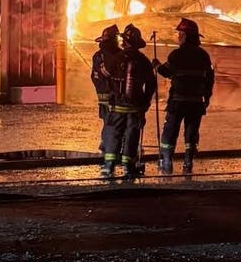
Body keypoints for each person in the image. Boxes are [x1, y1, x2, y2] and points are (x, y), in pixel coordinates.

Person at [153, 18, 215, 174]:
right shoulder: (203, 55)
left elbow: (166, 72)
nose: (178, 37)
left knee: (170, 131)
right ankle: (188, 163)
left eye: (180, 34)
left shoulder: (177, 54)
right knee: (191, 132)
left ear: (187, 36)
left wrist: (156, 65)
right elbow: (209, 79)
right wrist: (206, 98)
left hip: (178, 102)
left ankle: (167, 163)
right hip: (196, 103)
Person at [100, 24, 157, 180]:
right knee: (132, 135)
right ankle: (128, 166)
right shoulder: (143, 61)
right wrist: (145, 102)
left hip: (118, 106)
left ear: (126, 42)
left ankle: (109, 165)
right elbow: (151, 84)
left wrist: (111, 95)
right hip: (135, 107)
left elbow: (106, 76)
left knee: (113, 134)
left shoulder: (116, 58)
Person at [90, 24, 121, 122]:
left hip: (104, 100)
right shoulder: (121, 55)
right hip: (119, 101)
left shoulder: (97, 56)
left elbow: (94, 78)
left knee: (109, 128)